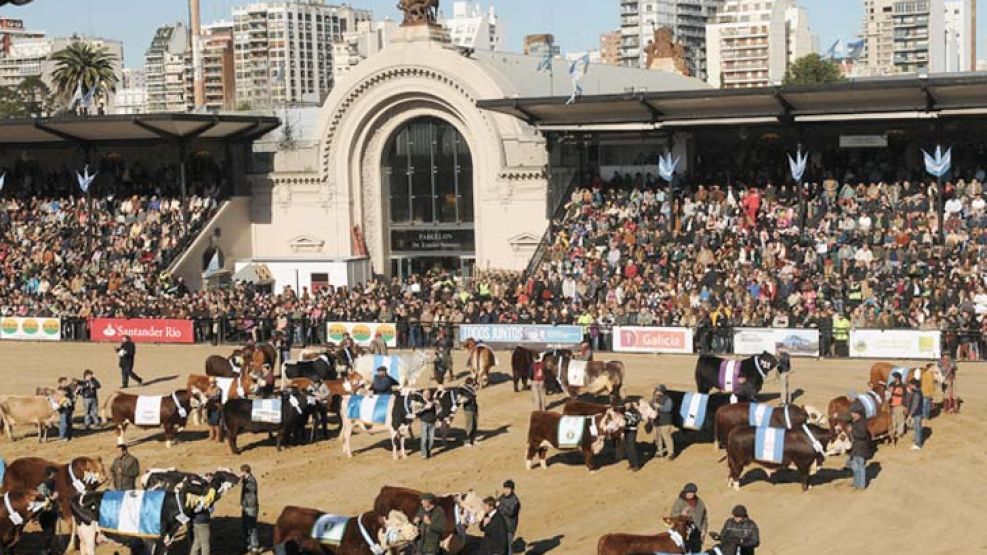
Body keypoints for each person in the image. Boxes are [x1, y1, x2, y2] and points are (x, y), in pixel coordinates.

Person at [669, 483, 707, 552]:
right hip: (683, 533)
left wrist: (703, 529)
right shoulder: (679, 502)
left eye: (692, 493)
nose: (690, 495)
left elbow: (704, 517)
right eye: (689, 493)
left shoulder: (699, 502)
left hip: (696, 532)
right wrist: (681, 514)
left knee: (696, 550)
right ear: (685, 492)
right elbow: (673, 514)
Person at [37, 466, 59, 555]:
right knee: (48, 531)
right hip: (46, 511)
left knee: (51, 530)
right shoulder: (43, 485)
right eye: (54, 474)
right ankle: (47, 550)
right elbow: (42, 498)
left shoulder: (50, 483)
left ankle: (49, 549)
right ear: (51, 474)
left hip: (51, 511)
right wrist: (53, 498)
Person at [847, 407, 871, 490]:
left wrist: (852, 431)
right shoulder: (856, 421)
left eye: (853, 413)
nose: (852, 415)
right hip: (856, 447)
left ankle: (861, 485)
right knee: (855, 466)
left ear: (858, 414)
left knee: (860, 466)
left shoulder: (862, 423)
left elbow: (862, 435)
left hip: (860, 448)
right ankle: (856, 483)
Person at [240, 464, 260, 554]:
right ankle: (248, 545)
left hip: (251, 506)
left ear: (245, 471)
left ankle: (255, 547)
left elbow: (251, 490)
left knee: (252, 527)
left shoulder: (251, 480)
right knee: (245, 526)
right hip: (246, 506)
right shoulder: (247, 480)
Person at [496, 480, 520, 552]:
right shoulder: (502, 497)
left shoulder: (515, 501)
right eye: (505, 488)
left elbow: (510, 513)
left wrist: (499, 505)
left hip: (509, 527)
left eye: (508, 489)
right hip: (501, 525)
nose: (506, 491)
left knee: (507, 546)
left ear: (512, 489)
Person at [652, 385, 675, 460]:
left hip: (665, 422)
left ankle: (671, 453)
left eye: (658, 390)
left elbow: (668, 409)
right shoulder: (654, 399)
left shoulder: (668, 399)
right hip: (657, 421)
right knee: (657, 438)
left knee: (666, 437)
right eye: (656, 390)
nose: (657, 392)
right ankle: (659, 451)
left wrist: (659, 406)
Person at [417, 389, 438, 459]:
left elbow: (437, 410)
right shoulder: (420, 402)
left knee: (431, 440)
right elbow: (417, 413)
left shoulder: (432, 401)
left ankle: (428, 452)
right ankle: (424, 454)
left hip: (432, 422)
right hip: (424, 422)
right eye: (425, 394)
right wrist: (424, 408)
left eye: (428, 394)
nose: (427, 395)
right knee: (424, 439)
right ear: (423, 395)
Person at [622, 401, 643, 471]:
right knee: (627, 447)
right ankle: (631, 463)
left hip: (632, 431)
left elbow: (636, 420)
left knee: (632, 447)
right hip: (626, 431)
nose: (626, 405)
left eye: (627, 403)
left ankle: (636, 465)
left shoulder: (633, 411)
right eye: (625, 404)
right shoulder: (625, 411)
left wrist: (625, 421)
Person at [887, 374, 906, 442]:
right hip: (891, 405)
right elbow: (888, 393)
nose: (894, 378)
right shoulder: (891, 384)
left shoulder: (903, 386)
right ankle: (893, 432)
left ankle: (900, 433)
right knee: (893, 420)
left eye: (895, 377)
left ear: (898, 378)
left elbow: (905, 396)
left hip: (900, 405)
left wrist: (905, 406)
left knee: (900, 419)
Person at [56, 377, 76, 441]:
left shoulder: (69, 389)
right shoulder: (59, 390)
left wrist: (72, 405)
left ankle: (69, 436)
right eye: (64, 382)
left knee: (69, 423)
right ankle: (62, 436)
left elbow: (72, 398)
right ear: (60, 383)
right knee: (63, 423)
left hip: (69, 409)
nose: (65, 383)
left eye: (66, 382)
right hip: (63, 410)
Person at [906, 379, 924, 450]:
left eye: (910, 384)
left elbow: (915, 405)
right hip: (917, 413)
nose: (909, 386)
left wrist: (910, 414)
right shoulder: (917, 391)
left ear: (914, 385)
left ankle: (918, 444)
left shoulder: (917, 393)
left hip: (917, 413)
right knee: (916, 428)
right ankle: (917, 440)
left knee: (917, 428)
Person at [462, 377, 479, 447]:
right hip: (468, 409)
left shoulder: (471, 389)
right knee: (469, 425)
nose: (474, 384)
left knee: (474, 424)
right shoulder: (464, 390)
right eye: (472, 383)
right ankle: (468, 441)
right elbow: (463, 399)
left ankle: (473, 439)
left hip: (474, 408)